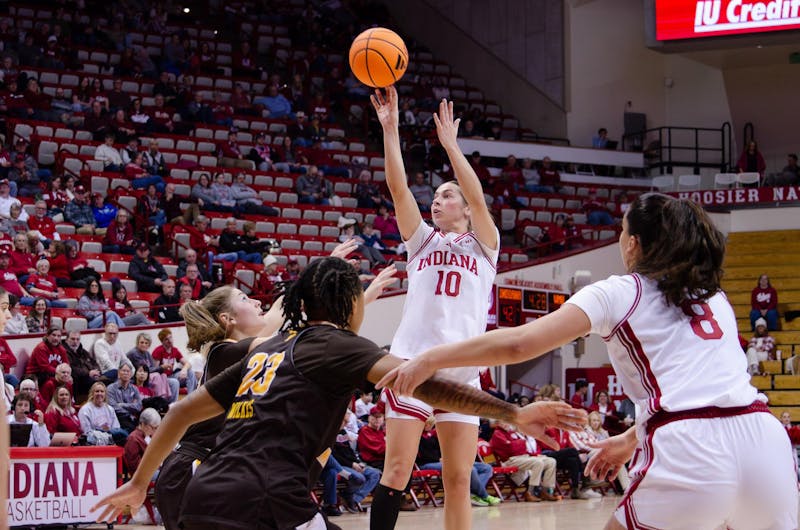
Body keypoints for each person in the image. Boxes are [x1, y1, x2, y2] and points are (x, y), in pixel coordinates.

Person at [382, 192, 799, 530]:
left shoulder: (621, 291)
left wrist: (429, 358)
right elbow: (707, 397)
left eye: (621, 231)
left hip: (693, 449)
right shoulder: (716, 298)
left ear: (633, 243)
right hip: (765, 441)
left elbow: (517, 345)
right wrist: (629, 438)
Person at [92, 258, 583, 529]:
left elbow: (177, 412)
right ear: (351, 303)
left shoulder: (269, 350)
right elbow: (423, 382)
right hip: (268, 500)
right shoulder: (338, 344)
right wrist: (512, 412)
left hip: (205, 499)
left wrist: (140, 484)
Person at [370, 88, 502, 530]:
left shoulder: (485, 246)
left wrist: (451, 147)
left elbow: (479, 199)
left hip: (462, 370)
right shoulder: (422, 241)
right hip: (412, 363)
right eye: (438, 196)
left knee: (459, 477)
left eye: (448, 195)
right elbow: (397, 187)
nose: (437, 200)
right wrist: (390, 129)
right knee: (396, 473)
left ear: (465, 208)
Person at [417, 416, 500, 507]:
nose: (430, 426)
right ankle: (484, 495)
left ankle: (471, 494)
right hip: (427, 463)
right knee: (470, 469)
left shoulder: (433, 435)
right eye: (429, 424)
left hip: (445, 460)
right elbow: (421, 455)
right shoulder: (417, 437)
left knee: (486, 468)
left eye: (431, 424)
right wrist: (439, 459)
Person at [489, 420, 560, 502]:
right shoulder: (497, 434)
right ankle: (531, 492)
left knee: (551, 461)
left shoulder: (513, 433)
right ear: (498, 423)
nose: (506, 424)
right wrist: (521, 443)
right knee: (538, 463)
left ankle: (547, 491)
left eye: (508, 422)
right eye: (503, 422)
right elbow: (510, 449)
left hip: (523, 457)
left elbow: (522, 448)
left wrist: (531, 452)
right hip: (510, 460)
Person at [79, 381, 128, 446]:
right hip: (93, 443)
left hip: (111, 441)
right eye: (97, 391)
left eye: (102, 391)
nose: (99, 393)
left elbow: (116, 428)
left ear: (105, 394)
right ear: (92, 393)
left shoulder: (110, 409)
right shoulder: (85, 410)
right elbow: (86, 432)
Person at [152, 328, 197, 397]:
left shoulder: (174, 350)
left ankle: (191, 397)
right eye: (166, 339)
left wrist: (184, 370)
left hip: (172, 376)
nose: (170, 341)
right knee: (174, 382)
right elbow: (155, 371)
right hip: (163, 378)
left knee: (190, 372)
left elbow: (188, 363)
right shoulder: (158, 351)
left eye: (170, 337)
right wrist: (163, 367)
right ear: (162, 342)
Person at [63, 330, 104, 401]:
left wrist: (97, 372)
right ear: (67, 340)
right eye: (72, 339)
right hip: (80, 379)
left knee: (113, 373)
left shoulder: (83, 351)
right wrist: (88, 373)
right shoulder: (64, 352)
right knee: (98, 384)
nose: (75, 341)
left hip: (92, 376)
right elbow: (71, 368)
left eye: (77, 339)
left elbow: (94, 363)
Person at [124, 408, 161, 476]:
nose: (155, 431)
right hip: (142, 474)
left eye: (157, 428)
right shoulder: (133, 439)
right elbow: (135, 466)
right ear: (144, 425)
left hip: (152, 469)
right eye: (154, 428)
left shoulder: (147, 436)